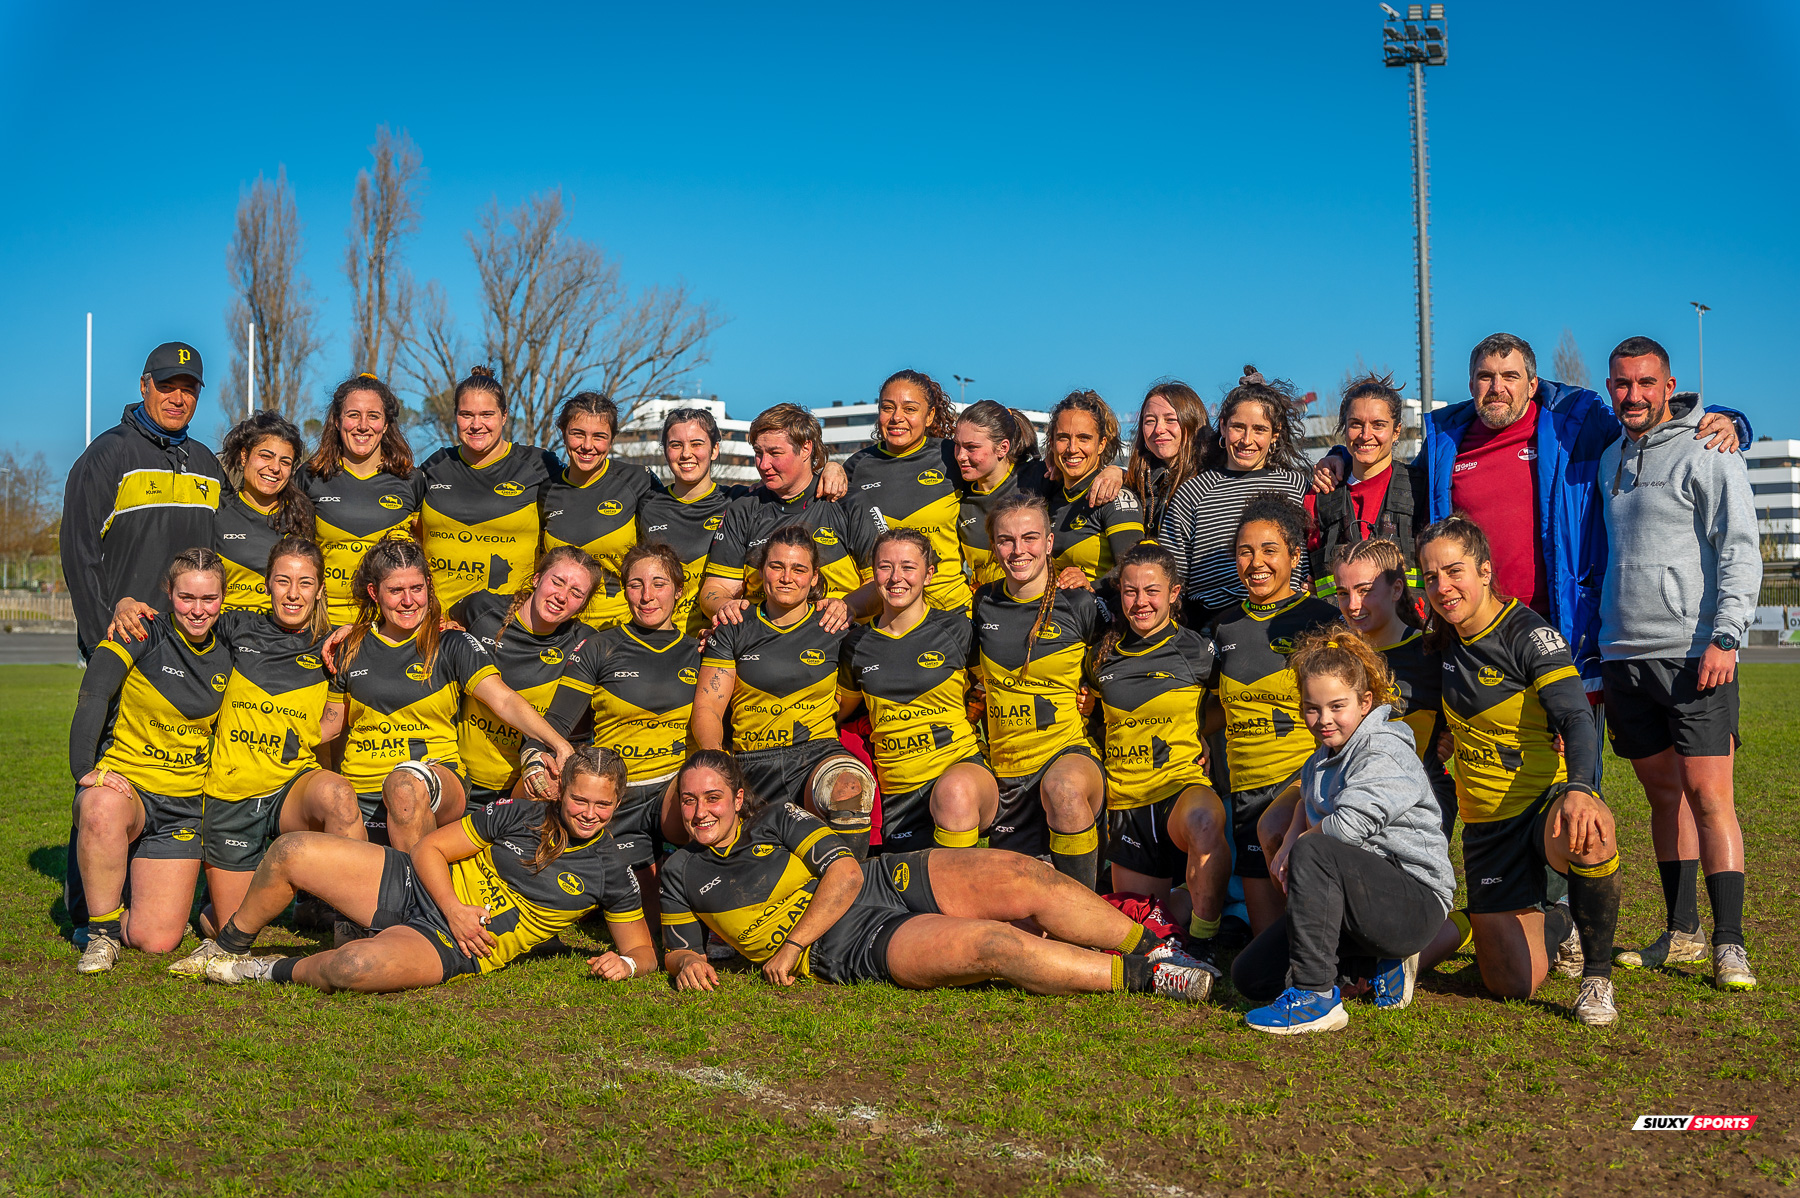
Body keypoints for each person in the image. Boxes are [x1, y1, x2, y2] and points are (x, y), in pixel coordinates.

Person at [1313, 332, 1746, 709]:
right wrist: (1340, 456)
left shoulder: (1574, 425)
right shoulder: (1445, 444)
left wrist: (1730, 420)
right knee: (1483, 768)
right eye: (1486, 377)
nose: (1496, 387)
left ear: (1533, 384)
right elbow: (1389, 474)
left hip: (1554, 628)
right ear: (1471, 384)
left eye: (1510, 377)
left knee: (1568, 766)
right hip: (1470, 633)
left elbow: (1644, 415)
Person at [658, 751, 1217, 1000]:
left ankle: (1158, 948)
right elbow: (679, 950)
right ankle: (1151, 979)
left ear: (736, 798)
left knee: (1025, 875)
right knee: (997, 946)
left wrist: (789, 943)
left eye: (713, 797)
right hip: (843, 944)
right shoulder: (680, 869)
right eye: (689, 801)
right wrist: (686, 965)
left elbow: (848, 874)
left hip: (875, 883)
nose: (701, 811)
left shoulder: (777, 817)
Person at [104, 538, 367, 967]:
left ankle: (354, 926)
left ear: (321, 589)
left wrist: (299, 734)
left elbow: (336, 718)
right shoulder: (234, 626)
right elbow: (185, 613)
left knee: (338, 795)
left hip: (290, 785)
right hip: (230, 793)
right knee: (238, 925)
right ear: (267, 584)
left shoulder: (334, 643)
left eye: (305, 583)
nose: (294, 593)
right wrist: (127, 603)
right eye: (283, 581)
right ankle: (209, 914)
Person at [198, 748, 655, 991]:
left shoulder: (611, 869)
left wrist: (628, 963)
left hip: (454, 943)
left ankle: (260, 971)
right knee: (291, 850)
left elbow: (642, 949)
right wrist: (455, 906)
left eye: (603, 804)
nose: (589, 812)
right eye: (579, 799)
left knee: (354, 967)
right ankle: (223, 949)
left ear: (617, 804)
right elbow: (429, 849)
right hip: (419, 886)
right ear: (560, 793)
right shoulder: (523, 813)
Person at [1596, 337, 1759, 991]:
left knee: (1710, 797)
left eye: (1645, 383)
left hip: (1697, 654)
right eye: (1621, 384)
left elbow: (1740, 546)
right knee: (1664, 797)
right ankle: (1683, 933)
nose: (1632, 395)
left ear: (1669, 387)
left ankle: (1730, 943)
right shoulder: (1610, 456)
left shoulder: (1711, 447)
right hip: (1625, 657)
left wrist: (1727, 634)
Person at [1416, 513, 1624, 1026]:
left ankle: (1597, 979)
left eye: (1455, 570)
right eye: (1431, 575)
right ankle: (1559, 923)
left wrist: (1579, 788)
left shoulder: (1528, 633)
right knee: (1509, 983)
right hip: (1486, 826)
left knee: (1591, 830)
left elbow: (1576, 715)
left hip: (1540, 808)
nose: (1443, 586)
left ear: (1485, 571)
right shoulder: (1439, 640)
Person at [1232, 628, 1456, 1033]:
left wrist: (1298, 845)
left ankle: (1316, 997)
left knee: (1315, 850)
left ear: (1365, 701)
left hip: (1414, 903)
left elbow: (1349, 827)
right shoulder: (1322, 756)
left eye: (1337, 706)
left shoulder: (1383, 748)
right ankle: (1368, 964)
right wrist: (1293, 834)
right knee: (1250, 976)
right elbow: (1309, 798)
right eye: (1312, 709)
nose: (1324, 720)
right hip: (1360, 900)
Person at [327, 536, 577, 852]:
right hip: (361, 785)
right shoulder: (351, 645)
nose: (408, 601)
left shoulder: (452, 643)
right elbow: (330, 724)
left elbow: (504, 700)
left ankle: (420, 896)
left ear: (429, 586)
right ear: (374, 593)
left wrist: (559, 744)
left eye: (416, 589)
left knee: (403, 785)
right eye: (395, 591)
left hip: (433, 778)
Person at [66, 549, 230, 973]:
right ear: (167, 594)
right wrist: (85, 769)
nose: (197, 610)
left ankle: (120, 902)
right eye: (186, 597)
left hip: (182, 806)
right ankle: (100, 935)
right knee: (100, 805)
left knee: (155, 941)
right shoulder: (140, 630)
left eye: (208, 599)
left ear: (223, 599)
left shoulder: (231, 644)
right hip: (130, 789)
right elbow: (94, 694)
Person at [691, 525, 877, 856]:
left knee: (849, 784)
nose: (786, 577)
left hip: (815, 755)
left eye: (799, 569)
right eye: (777, 566)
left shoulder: (834, 627)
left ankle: (853, 890)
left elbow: (852, 696)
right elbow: (707, 707)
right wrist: (718, 761)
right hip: (750, 762)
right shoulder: (735, 625)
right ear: (762, 571)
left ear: (815, 577)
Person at [536, 541, 703, 911]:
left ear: (679, 590)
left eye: (659, 584)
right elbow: (558, 722)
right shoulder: (600, 646)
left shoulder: (700, 651)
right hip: (617, 795)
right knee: (642, 913)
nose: (646, 596)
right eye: (635, 584)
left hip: (672, 790)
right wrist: (540, 760)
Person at [1085, 544, 1231, 962]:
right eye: (1130, 591)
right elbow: (1090, 712)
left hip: (1180, 790)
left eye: (1152, 590)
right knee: (1143, 930)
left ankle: (1205, 943)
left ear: (1174, 593)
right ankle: (1190, 901)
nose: (1140, 602)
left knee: (1205, 821)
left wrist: (1202, 731)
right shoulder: (1101, 655)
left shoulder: (1198, 652)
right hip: (1127, 803)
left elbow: (1228, 705)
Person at [1205, 494, 1340, 935]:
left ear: (1295, 556)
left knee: (1309, 932)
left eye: (1269, 550)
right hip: (1244, 791)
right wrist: (1202, 737)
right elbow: (1209, 706)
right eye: (1245, 551)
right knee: (1267, 948)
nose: (1256, 562)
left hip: (1304, 786)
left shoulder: (1323, 620)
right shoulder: (1223, 627)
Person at [959, 492, 1108, 887]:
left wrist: (1096, 703)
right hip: (1005, 771)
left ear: (1048, 543)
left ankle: (1086, 917)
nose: (1018, 550)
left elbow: (1123, 668)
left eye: (1029, 538)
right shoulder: (983, 603)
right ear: (993, 546)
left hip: (1067, 755)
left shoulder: (1081, 603)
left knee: (1064, 789)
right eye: (1006, 540)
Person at [62, 341, 228, 659]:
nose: (178, 399)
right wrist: (103, 643)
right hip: (126, 641)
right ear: (144, 385)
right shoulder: (107, 455)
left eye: (189, 389)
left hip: (192, 646)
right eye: (167, 386)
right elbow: (79, 556)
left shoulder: (208, 464)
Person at [836, 528, 992, 856]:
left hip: (959, 770)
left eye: (908, 567)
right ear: (873, 574)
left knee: (955, 792)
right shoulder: (856, 643)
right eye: (885, 567)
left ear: (929, 574)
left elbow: (998, 685)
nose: (896, 578)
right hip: (897, 793)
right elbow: (839, 711)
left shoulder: (957, 629)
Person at [1156, 368, 1313, 630]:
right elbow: (1172, 576)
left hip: (1286, 619)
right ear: (1223, 428)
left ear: (1275, 434)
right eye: (1238, 427)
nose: (1247, 440)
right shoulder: (1193, 493)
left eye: (1260, 429)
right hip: (1212, 625)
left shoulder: (1297, 486)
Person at [450, 546, 603, 806]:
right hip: (459, 774)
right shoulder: (483, 609)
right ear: (537, 578)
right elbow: (428, 624)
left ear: (583, 606)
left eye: (576, 593)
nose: (562, 596)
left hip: (523, 781)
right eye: (557, 582)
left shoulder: (586, 642)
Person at [1330, 537, 1454, 836]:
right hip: (1347, 794)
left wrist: (1452, 737)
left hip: (1419, 800)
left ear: (1397, 589)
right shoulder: (1335, 656)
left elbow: (1475, 711)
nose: (1353, 605)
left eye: (1364, 591)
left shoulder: (1431, 651)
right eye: (1343, 593)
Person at [700, 403, 867, 616]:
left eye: (775, 453)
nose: (763, 464)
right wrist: (724, 607)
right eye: (758, 453)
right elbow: (716, 589)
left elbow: (878, 583)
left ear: (806, 448)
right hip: (765, 640)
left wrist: (847, 607)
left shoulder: (846, 501)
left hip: (835, 639)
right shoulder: (743, 510)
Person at [418, 366, 563, 607]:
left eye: (487, 414)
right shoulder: (435, 465)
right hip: (438, 621)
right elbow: (409, 532)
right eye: (466, 415)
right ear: (455, 415)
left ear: (504, 415)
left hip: (509, 621)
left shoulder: (538, 466)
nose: (476, 425)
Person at [841, 370, 973, 614]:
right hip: (886, 615)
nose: (896, 418)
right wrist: (829, 469)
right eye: (887, 407)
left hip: (950, 611)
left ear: (930, 415)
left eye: (910, 409)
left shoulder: (952, 456)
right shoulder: (856, 467)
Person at [302, 374, 422, 627]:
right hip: (323, 624)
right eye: (353, 414)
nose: (363, 425)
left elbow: (426, 552)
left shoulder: (412, 480)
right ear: (337, 421)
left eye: (374, 416)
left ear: (386, 424)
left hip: (389, 627)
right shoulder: (309, 477)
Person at [541, 392, 659, 629]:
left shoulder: (638, 481)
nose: (587, 446)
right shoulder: (546, 490)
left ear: (612, 439)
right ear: (562, 432)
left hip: (621, 628)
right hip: (560, 629)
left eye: (599, 436)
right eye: (578, 434)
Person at [1306, 372, 1429, 599]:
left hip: (1410, 632)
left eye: (1378, 424)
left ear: (1397, 431)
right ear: (1344, 427)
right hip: (1338, 631)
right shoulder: (1318, 495)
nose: (1365, 435)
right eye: (1356, 424)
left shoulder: (1422, 490)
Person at [635, 407, 749, 635]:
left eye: (697, 444)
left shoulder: (739, 501)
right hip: (661, 639)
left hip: (718, 638)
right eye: (676, 445)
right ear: (665, 451)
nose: (686, 453)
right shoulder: (647, 505)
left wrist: (831, 469)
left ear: (715, 449)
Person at [1044, 390, 1144, 591]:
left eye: (1084, 438)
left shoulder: (1115, 496)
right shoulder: (1047, 494)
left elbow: (1136, 569)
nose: (1072, 448)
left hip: (1101, 616)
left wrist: (1091, 587)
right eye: (1063, 438)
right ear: (1052, 443)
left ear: (1101, 444)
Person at [215, 411, 315, 612]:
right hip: (227, 636)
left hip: (283, 638)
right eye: (265, 456)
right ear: (244, 456)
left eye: (285, 462)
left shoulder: (302, 518)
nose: (275, 468)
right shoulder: (217, 513)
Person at [1122, 379, 1211, 539]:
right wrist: (1115, 473)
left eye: (1170, 420)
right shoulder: (1136, 483)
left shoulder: (1211, 481)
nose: (1158, 429)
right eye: (1150, 421)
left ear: (1193, 421)